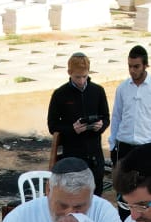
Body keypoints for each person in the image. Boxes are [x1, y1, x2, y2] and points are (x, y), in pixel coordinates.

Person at [109, 45, 151, 220]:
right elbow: (116, 117)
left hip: (146, 148)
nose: (132, 70)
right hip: (124, 147)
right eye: (129, 66)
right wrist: (113, 145)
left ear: (145, 66)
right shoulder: (122, 88)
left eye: (136, 66)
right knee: (123, 193)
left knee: (144, 193)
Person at [47, 52, 109, 196]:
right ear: (69, 73)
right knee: (74, 196)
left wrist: (101, 126)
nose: (81, 81)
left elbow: (106, 118)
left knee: (96, 196)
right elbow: (52, 125)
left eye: (84, 77)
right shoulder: (60, 94)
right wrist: (72, 129)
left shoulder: (97, 91)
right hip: (73, 156)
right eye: (77, 77)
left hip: (95, 155)